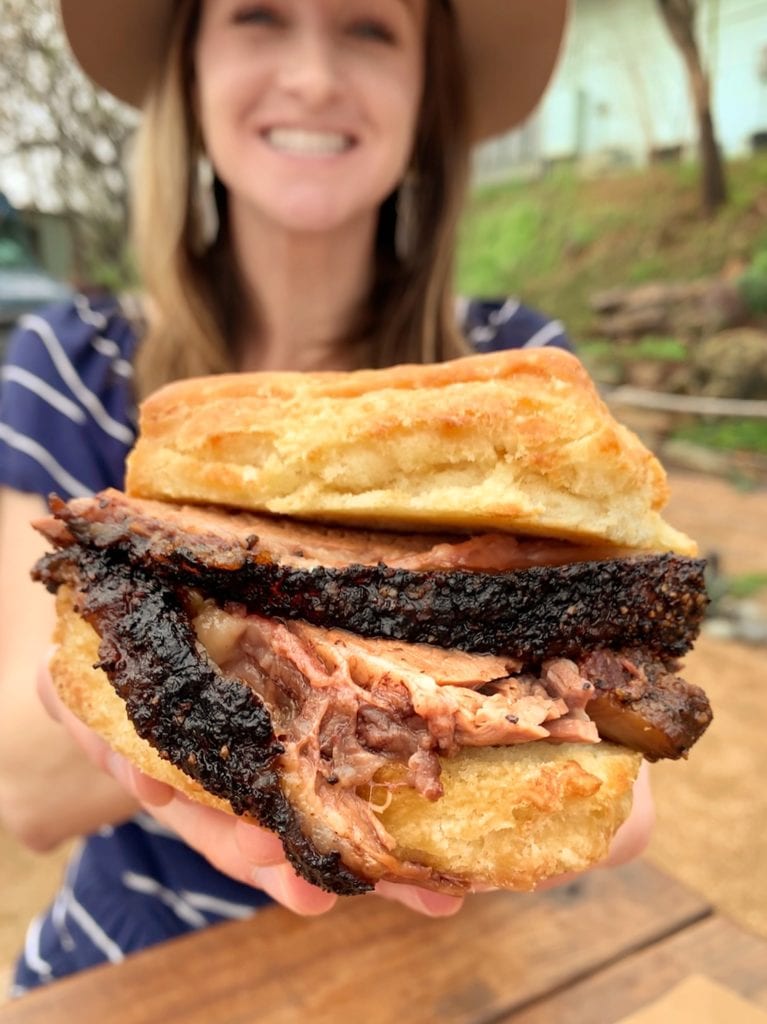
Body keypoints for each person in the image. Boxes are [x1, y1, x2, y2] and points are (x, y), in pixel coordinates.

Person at [0, 0, 653, 996]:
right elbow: (20, 787)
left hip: (433, 973)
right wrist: (201, 693)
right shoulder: (70, 362)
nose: (311, 75)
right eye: (257, 15)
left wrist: (568, 748)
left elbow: (620, 772)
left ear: (425, 92)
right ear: (189, 73)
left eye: (368, 27)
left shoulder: (521, 374)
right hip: (133, 959)